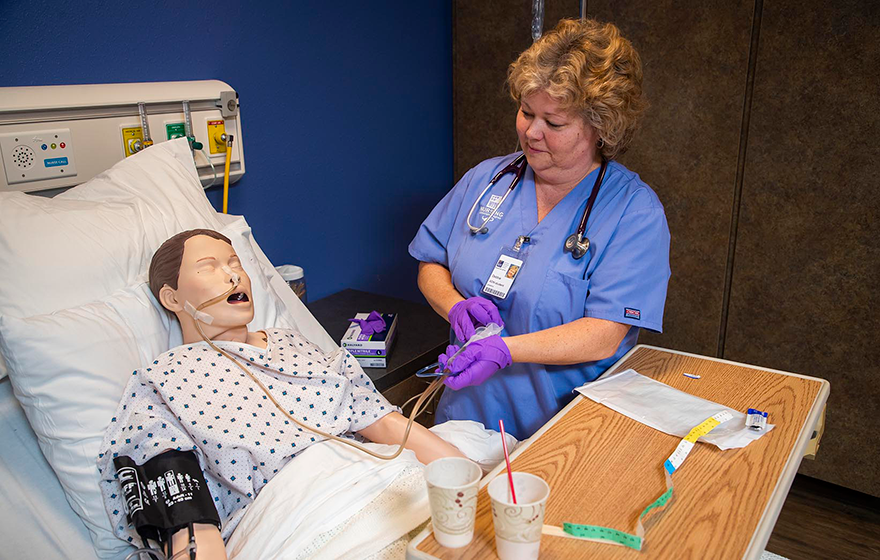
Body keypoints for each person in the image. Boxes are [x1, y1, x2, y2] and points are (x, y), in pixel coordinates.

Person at [97, 229, 464, 558]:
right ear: (172, 298)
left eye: (235, 263)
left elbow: (382, 422)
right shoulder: (164, 382)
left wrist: (468, 477)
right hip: (295, 517)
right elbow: (185, 514)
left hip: (386, 480)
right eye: (208, 267)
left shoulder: (291, 343)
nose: (232, 274)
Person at [409, 18, 671, 440]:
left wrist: (504, 351)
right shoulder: (486, 181)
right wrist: (454, 306)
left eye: (554, 122)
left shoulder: (633, 213)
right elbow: (431, 260)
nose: (531, 132)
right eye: (526, 112)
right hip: (464, 422)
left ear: (600, 127)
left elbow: (604, 335)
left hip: (564, 432)